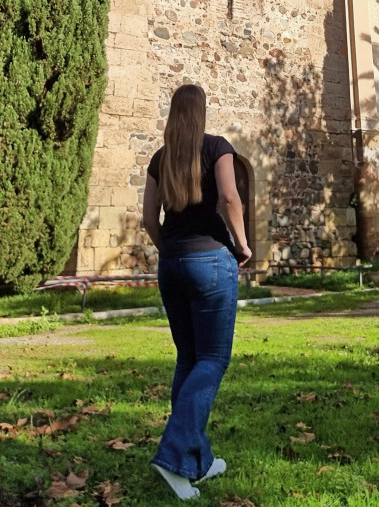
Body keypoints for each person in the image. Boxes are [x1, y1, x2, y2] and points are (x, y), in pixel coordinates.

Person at [143, 83, 253, 501]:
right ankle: (173, 456)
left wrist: (169, 250)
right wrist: (242, 244)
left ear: (173, 115)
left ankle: (197, 462)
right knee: (212, 359)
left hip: (171, 264)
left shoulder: (160, 159)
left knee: (188, 359)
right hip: (210, 262)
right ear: (201, 112)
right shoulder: (218, 147)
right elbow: (230, 197)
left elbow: (149, 220)